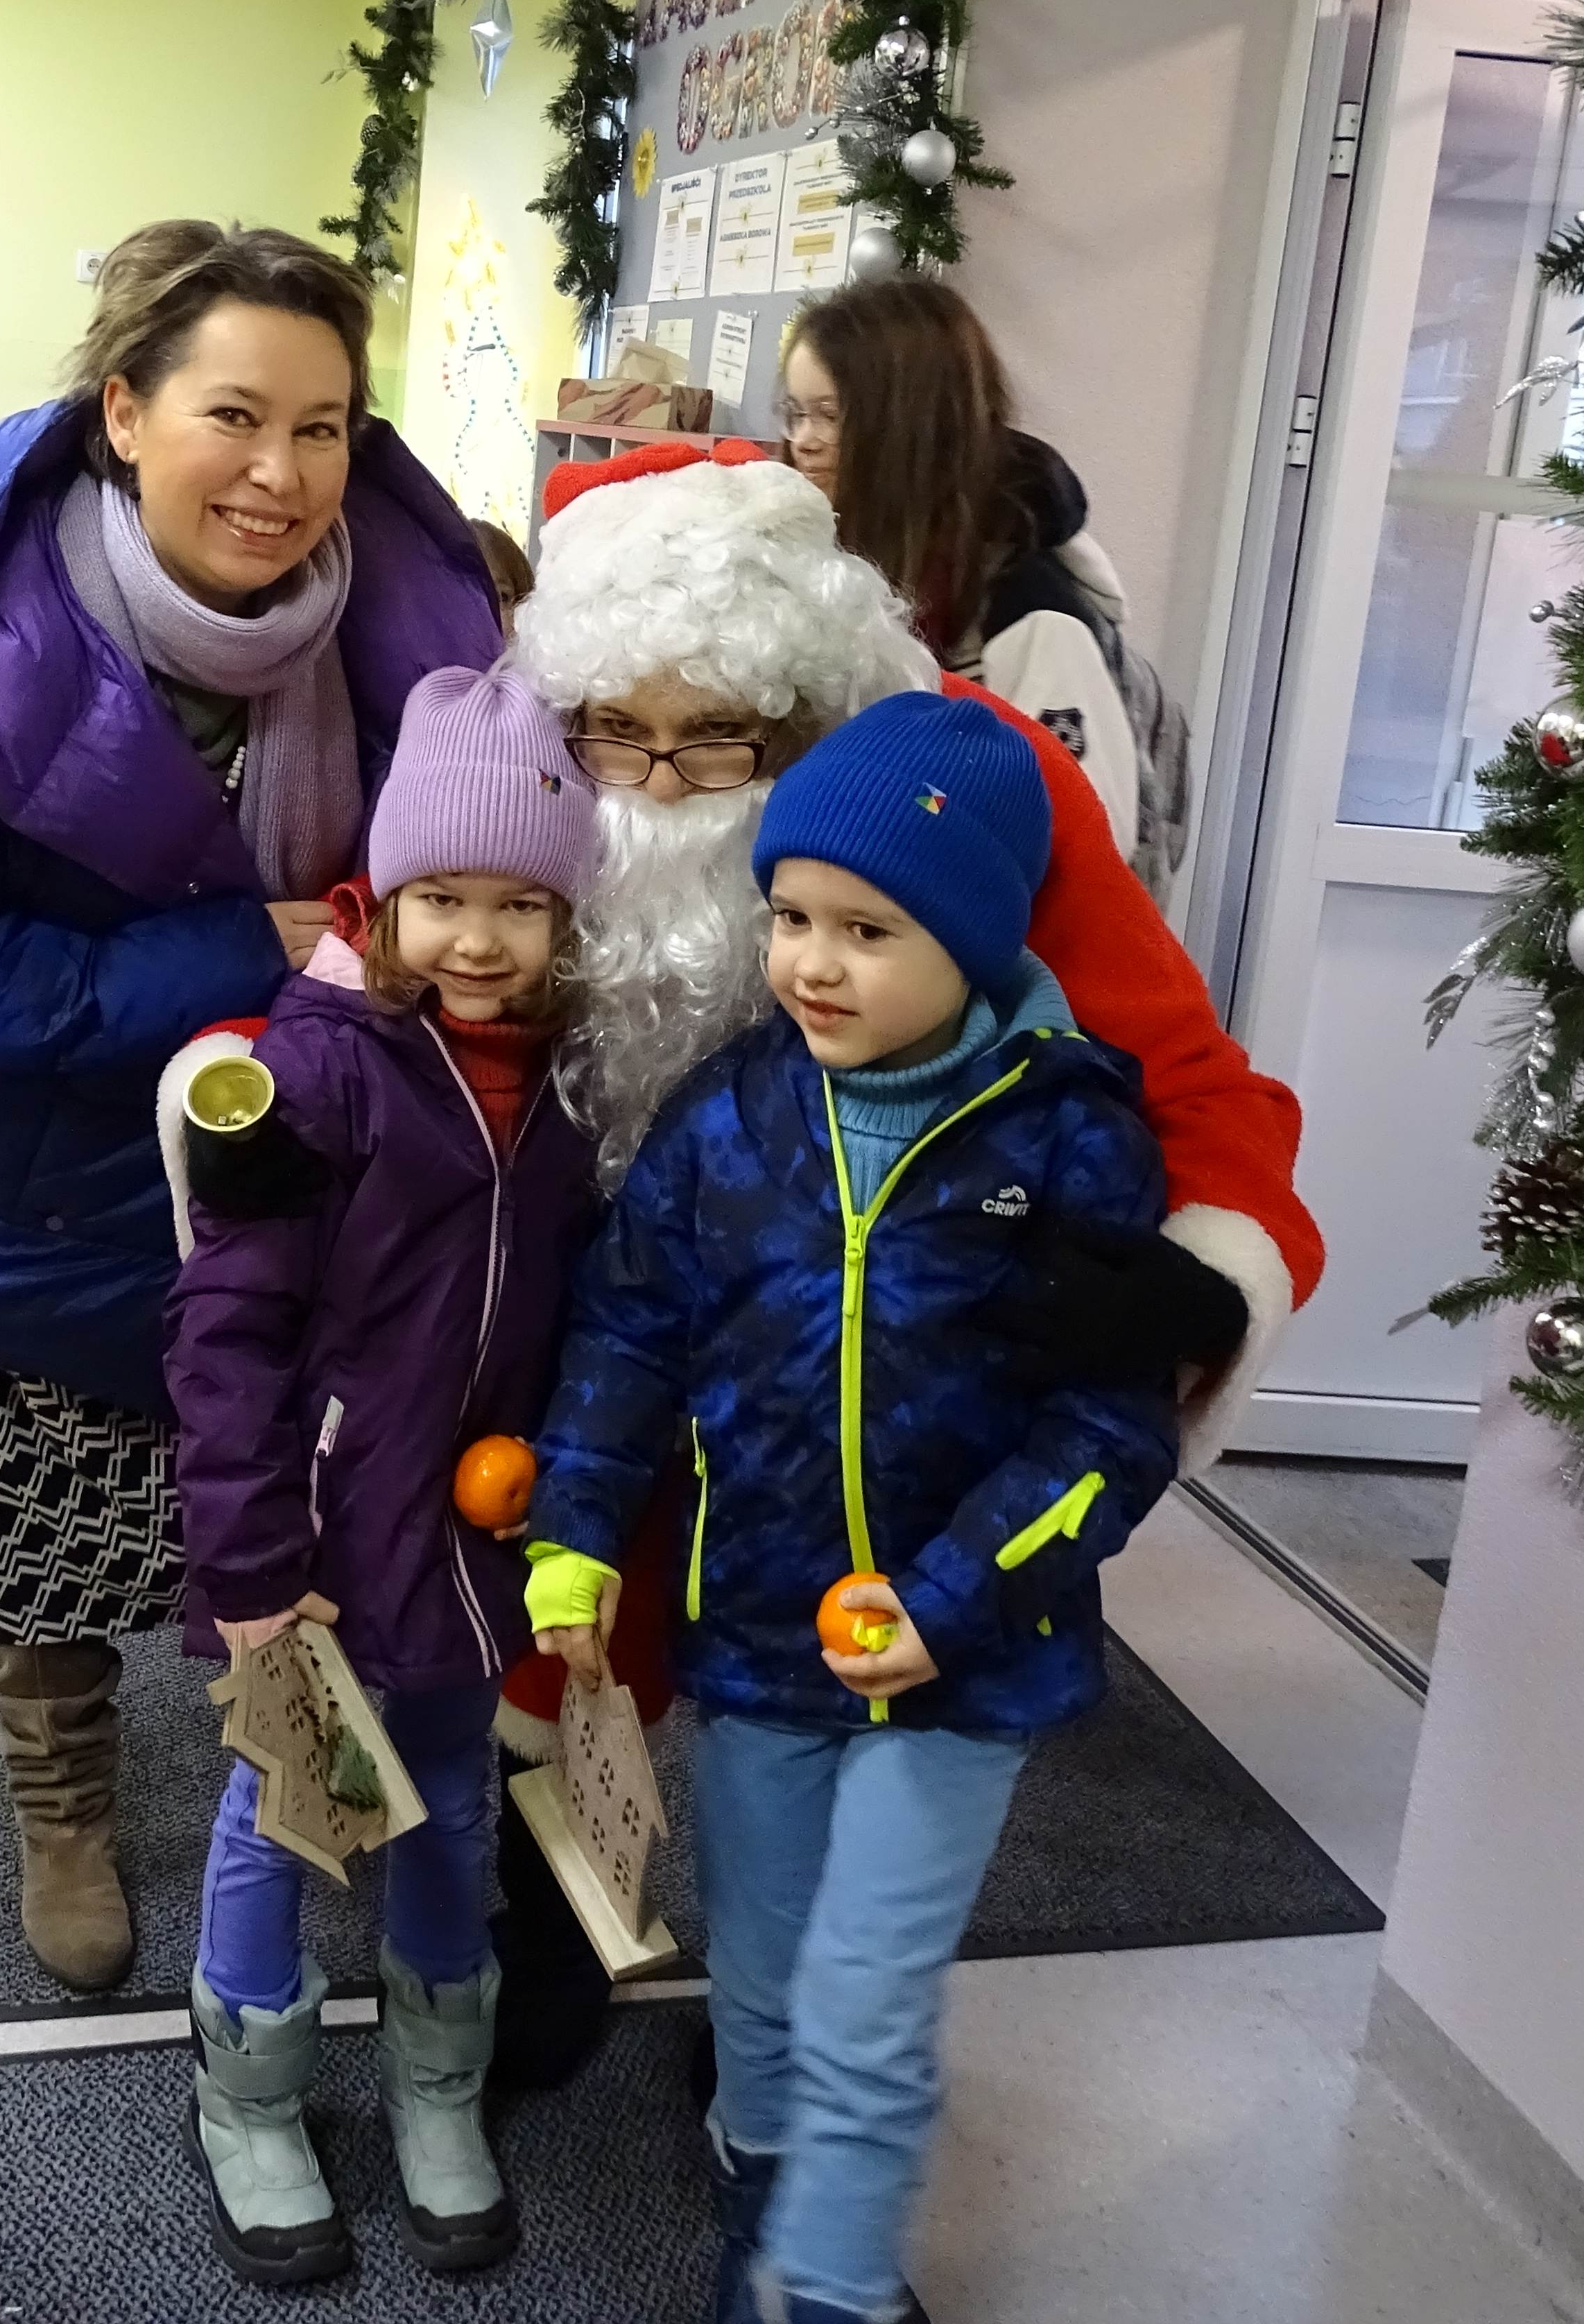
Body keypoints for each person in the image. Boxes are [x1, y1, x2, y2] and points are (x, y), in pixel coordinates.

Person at [476, 439, 1317, 2089]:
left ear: (805, 715)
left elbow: (1187, 1073)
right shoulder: (520, 760)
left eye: (719, 735)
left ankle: (782, 2016)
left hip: (876, 1319)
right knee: (553, 1594)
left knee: (812, 1665)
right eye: (617, 732)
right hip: (571, 1278)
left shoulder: (958, 786)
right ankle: (549, 1906)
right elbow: (384, 925)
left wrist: (1203, 1276)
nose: (659, 784)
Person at [0, 221, 502, 1990]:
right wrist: (232, 951)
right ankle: (60, 1797)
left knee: (280, 1505)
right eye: (232, 416)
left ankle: (284, 1783)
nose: (280, 474)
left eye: (323, 426)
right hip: (29, 1188)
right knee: (41, 1529)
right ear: (123, 413)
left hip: (290, 1171)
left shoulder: (408, 630)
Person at [525, 691, 1181, 2324]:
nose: (813, 964)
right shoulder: (726, 1117)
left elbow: (1108, 1425)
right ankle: (762, 2175)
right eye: (793, 919)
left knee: (868, 1996)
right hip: (758, 1634)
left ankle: (827, 2286)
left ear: (974, 938)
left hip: (966, 1664)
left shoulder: (1071, 1135)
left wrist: (950, 1603)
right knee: (757, 1973)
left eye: (867, 931)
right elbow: (627, 1333)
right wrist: (577, 1527)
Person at [161, 666, 602, 2287]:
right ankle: (250, 2094)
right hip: (324, 1539)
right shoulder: (321, 1071)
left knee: (449, 1801)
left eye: (518, 904)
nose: (478, 940)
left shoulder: (571, 1089)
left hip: (477, 1542)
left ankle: (437, 2081)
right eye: (442, 899)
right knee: (294, 1812)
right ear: (388, 899)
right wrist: (252, 1556)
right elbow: (224, 1331)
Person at [779, 277, 1192, 893]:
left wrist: (898, 803)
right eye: (795, 413)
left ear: (910, 426)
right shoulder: (847, 570)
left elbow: (1076, 844)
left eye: (831, 416)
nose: (804, 441)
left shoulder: (1029, 611)